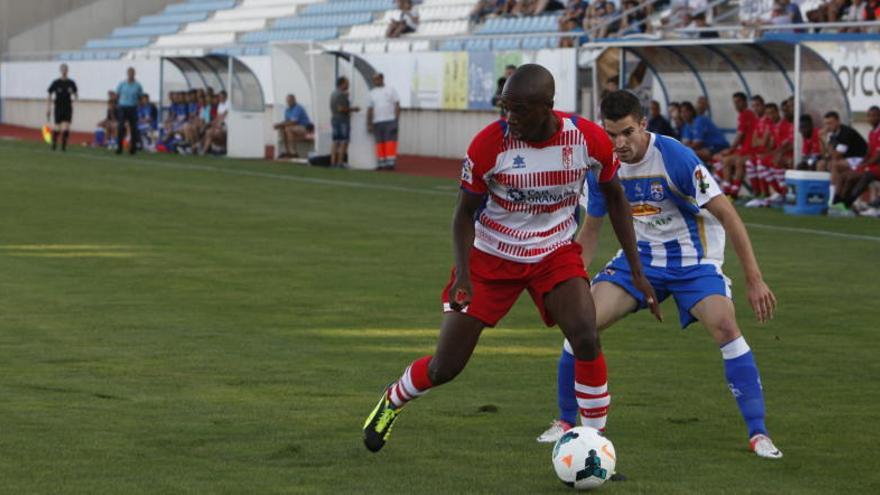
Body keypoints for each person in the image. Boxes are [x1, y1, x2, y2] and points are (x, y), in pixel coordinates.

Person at [362, 65, 658, 455]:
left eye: (519, 110)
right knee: (445, 367)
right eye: (506, 108)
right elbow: (463, 215)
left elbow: (616, 199)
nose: (510, 118)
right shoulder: (490, 145)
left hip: (554, 252)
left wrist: (637, 271)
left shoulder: (586, 139)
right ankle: (394, 398)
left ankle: (595, 446)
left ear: (547, 107)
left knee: (586, 335)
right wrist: (464, 276)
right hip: (490, 257)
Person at [536, 90, 783, 460]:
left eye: (627, 133)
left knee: (725, 327)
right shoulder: (603, 165)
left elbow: (728, 215)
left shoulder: (676, 157)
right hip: (640, 259)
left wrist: (754, 279)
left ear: (644, 125)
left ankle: (758, 433)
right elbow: (591, 229)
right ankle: (565, 421)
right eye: (611, 134)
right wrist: (573, 282)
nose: (619, 143)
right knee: (581, 323)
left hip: (693, 261)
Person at [831, 106, 880, 212]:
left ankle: (846, 204)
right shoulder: (872, 133)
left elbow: (877, 157)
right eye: (869, 116)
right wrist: (862, 163)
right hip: (872, 165)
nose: (871, 118)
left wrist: (864, 165)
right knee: (844, 176)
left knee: (853, 177)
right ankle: (836, 203)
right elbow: (868, 152)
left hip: (877, 167)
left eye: (874, 116)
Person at [819, 111, 868, 200]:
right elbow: (825, 155)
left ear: (838, 121)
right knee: (822, 164)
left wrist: (825, 140)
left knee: (835, 165)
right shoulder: (831, 134)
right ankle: (821, 192)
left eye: (830, 123)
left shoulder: (845, 133)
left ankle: (833, 197)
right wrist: (821, 140)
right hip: (847, 159)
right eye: (826, 124)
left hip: (860, 158)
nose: (828, 126)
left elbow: (836, 156)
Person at [718, 92, 758, 198]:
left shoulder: (746, 114)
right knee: (724, 160)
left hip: (751, 151)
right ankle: (726, 189)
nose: (736, 105)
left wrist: (730, 150)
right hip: (744, 150)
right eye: (735, 102)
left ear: (745, 102)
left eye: (739, 102)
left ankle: (734, 191)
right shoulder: (744, 115)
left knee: (737, 161)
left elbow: (740, 135)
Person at [367, 73, 401, 170]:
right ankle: (381, 163)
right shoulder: (372, 93)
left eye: (377, 79)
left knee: (390, 142)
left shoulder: (391, 90)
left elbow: (397, 105)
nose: (375, 81)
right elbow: (370, 109)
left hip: (390, 120)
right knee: (379, 143)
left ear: (382, 79)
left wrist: (396, 120)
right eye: (374, 80)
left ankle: (390, 162)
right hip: (377, 121)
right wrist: (369, 123)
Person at [330, 77, 360, 168]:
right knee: (343, 141)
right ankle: (340, 162)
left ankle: (333, 162)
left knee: (335, 141)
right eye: (347, 83)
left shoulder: (333, 94)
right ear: (342, 84)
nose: (348, 85)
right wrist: (353, 109)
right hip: (342, 120)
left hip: (334, 119)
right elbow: (341, 108)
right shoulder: (341, 95)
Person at [47, 63, 78, 152]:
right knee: (57, 127)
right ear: (60, 71)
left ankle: (64, 146)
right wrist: (48, 108)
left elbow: (76, 96)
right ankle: (54, 143)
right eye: (62, 69)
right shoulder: (56, 82)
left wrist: (73, 93)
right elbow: (49, 94)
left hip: (67, 107)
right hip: (58, 107)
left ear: (67, 71)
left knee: (66, 127)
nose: (64, 71)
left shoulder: (71, 83)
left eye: (65, 70)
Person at [115, 67, 144, 155]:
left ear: (134, 74)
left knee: (133, 128)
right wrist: (118, 105)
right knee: (121, 127)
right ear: (127, 74)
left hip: (133, 108)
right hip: (123, 107)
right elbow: (117, 95)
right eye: (129, 73)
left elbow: (140, 97)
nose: (130, 74)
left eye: (132, 73)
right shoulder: (122, 84)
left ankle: (133, 148)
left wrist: (139, 105)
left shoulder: (138, 85)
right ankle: (119, 147)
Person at [275, 94, 312, 159]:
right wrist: (279, 125)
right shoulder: (287, 110)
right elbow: (287, 121)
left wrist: (280, 124)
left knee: (288, 129)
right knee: (282, 129)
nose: (288, 102)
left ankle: (293, 153)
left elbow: (294, 122)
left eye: (290, 101)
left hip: (304, 128)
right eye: (287, 101)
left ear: (294, 100)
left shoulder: (298, 108)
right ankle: (287, 151)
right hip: (295, 128)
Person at [199, 91, 229, 155]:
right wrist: (213, 124)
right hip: (220, 126)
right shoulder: (220, 105)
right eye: (219, 97)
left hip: (226, 126)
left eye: (221, 97)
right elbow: (218, 117)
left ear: (225, 97)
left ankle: (201, 148)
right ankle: (203, 150)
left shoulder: (228, 104)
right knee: (209, 132)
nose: (220, 98)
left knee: (213, 132)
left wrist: (216, 124)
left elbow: (223, 116)